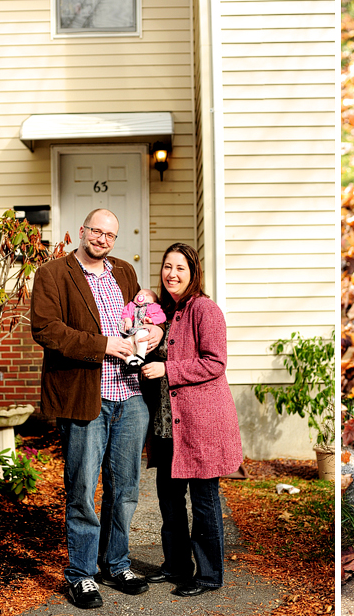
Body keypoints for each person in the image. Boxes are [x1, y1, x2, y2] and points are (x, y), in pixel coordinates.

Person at [30, 209, 163, 609]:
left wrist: (154, 329)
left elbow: (142, 316)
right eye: (97, 231)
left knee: (124, 491)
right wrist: (103, 344)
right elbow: (46, 329)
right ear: (83, 231)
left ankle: (116, 563)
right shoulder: (53, 274)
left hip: (130, 397)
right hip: (85, 397)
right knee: (83, 490)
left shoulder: (123, 272)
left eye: (110, 234)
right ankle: (82, 575)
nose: (103, 239)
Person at [139, 242, 243, 597]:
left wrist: (168, 369)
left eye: (180, 268)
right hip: (167, 424)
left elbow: (216, 362)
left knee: (203, 501)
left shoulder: (204, 309)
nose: (172, 274)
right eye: (168, 267)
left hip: (200, 424)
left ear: (193, 272)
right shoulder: (163, 312)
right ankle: (176, 565)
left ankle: (209, 575)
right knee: (169, 501)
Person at [120, 289, 167, 371]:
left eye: (147, 295)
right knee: (124, 345)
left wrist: (151, 320)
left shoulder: (154, 307)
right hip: (132, 332)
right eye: (139, 293)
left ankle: (140, 356)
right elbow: (125, 313)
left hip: (143, 330)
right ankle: (131, 362)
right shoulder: (131, 305)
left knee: (141, 335)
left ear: (154, 301)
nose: (142, 295)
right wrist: (128, 320)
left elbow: (162, 317)